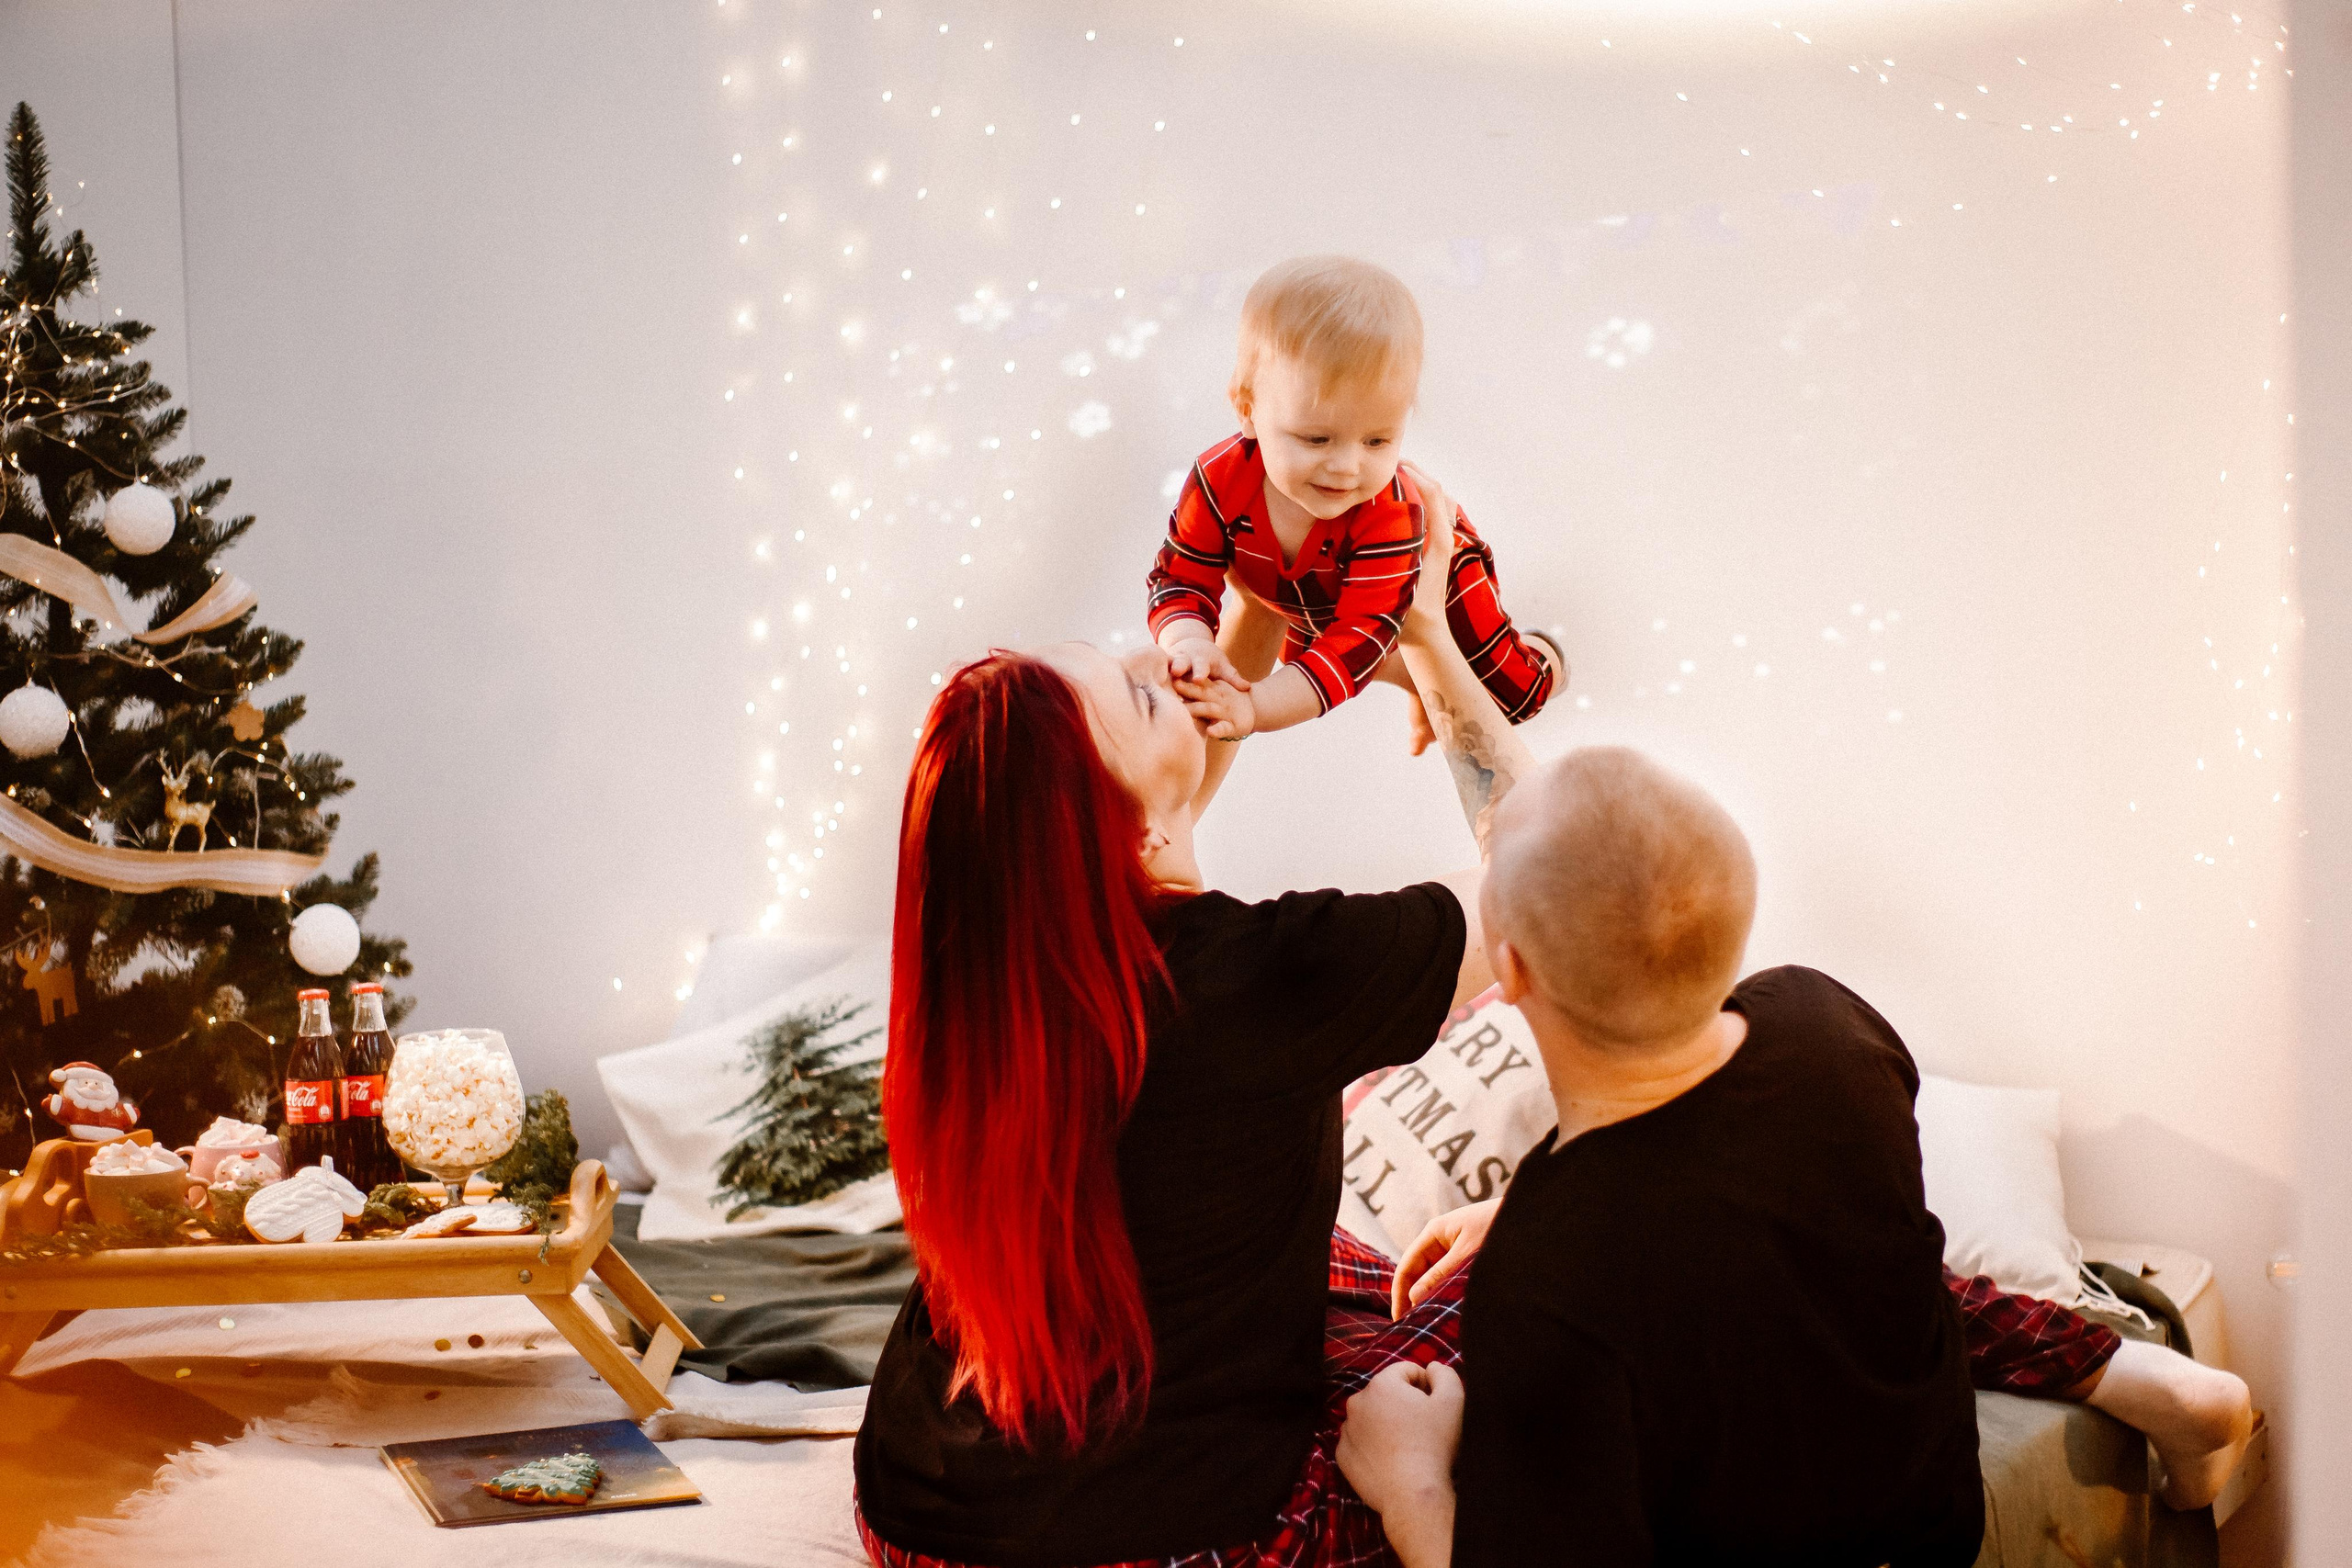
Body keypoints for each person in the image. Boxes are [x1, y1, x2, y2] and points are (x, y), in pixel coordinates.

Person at [1331, 614, 2256, 1562]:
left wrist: (1411, 1484)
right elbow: (1706, 1172)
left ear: (1507, 975)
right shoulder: (1822, 1025)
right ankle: (2129, 1375)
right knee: (1846, 1253)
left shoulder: (1544, 1286)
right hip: (1932, 1509)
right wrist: (1534, 1200)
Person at [852, 491, 1503, 1567]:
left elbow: (1152, 820)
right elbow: (1571, 878)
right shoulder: (1262, 979)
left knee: (1335, 1247)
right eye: (1142, 696)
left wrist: (1253, 614)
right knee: (1531, 1269)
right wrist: (1432, 646)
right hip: (1161, 1544)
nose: (1166, 664)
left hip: (923, 1522)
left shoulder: (990, 969)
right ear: (1134, 828)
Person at [1145, 255, 1563, 753]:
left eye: (1377, 441)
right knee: (1303, 648)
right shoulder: (1219, 480)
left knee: (1512, 700)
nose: (1347, 468)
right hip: (1320, 600)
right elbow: (1179, 577)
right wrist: (1188, 642)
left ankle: (1542, 653)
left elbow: (1350, 646)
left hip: (1436, 570)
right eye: (1318, 438)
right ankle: (1405, 667)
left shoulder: (1389, 515)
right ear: (1247, 408)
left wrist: (1255, 708)